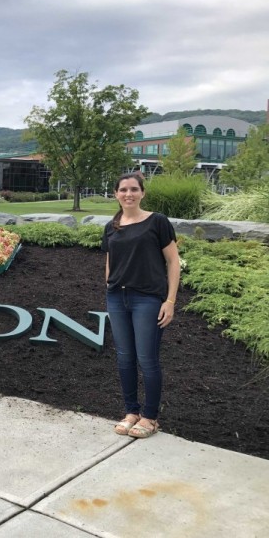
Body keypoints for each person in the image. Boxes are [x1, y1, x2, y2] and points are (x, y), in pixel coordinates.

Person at [101, 172, 180, 439]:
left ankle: (150, 417)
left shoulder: (157, 222)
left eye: (134, 189)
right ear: (116, 194)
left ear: (142, 193)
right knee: (124, 358)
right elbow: (110, 260)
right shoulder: (112, 225)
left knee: (147, 359)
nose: (129, 194)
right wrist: (109, 285)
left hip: (148, 299)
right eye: (123, 190)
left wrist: (169, 301)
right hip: (117, 298)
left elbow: (173, 262)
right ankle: (131, 412)